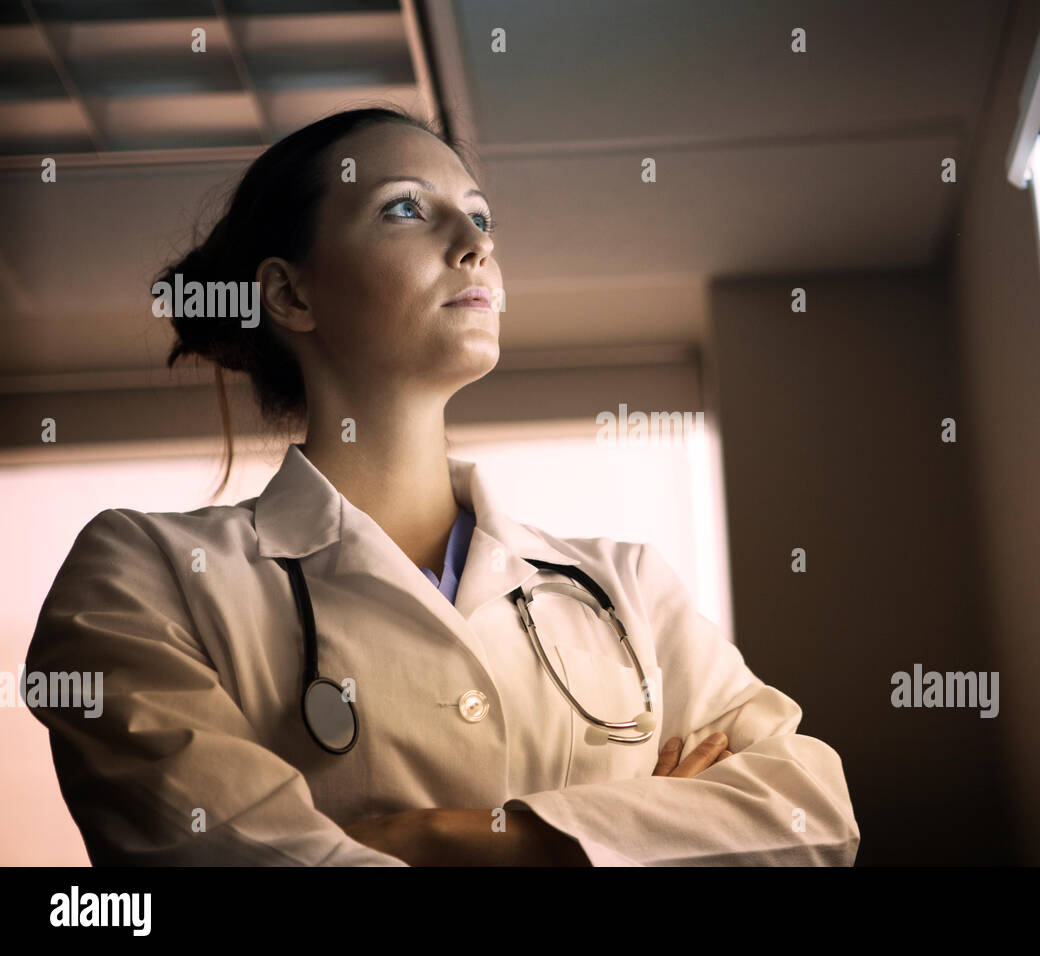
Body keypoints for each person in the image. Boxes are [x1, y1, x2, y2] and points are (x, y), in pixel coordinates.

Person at [25, 107, 860, 866]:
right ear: (289, 292)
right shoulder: (143, 573)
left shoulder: (625, 586)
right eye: (405, 209)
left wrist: (439, 835)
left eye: (483, 217)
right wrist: (638, 826)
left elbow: (811, 817)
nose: (476, 242)